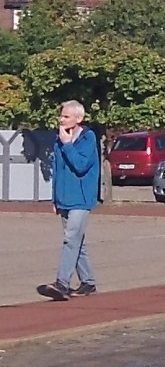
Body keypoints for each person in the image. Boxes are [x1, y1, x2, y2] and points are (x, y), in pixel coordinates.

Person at [37, 100, 100, 301]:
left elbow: (81, 165)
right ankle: (88, 282)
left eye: (66, 116)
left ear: (78, 118)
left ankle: (61, 283)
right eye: (61, 115)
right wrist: (55, 199)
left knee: (71, 239)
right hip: (64, 198)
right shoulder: (60, 139)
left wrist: (68, 145)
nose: (61, 120)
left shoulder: (88, 138)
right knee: (77, 241)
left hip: (81, 199)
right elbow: (57, 170)